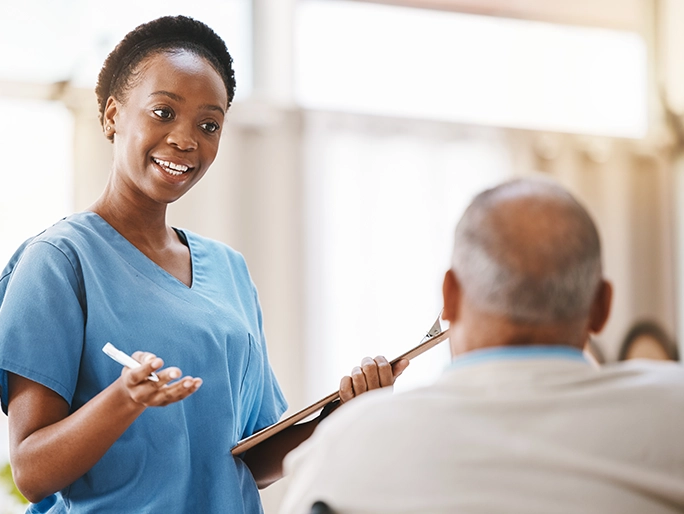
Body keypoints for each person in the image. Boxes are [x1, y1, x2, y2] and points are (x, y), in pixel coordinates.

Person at [0, 16, 406, 513]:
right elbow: (32, 472)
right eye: (163, 112)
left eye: (209, 124)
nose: (186, 140)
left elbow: (248, 461)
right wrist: (125, 400)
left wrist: (341, 412)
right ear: (113, 115)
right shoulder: (57, 262)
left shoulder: (228, 269)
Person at [280, 177, 684, 514]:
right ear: (601, 307)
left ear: (450, 296)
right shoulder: (673, 413)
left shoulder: (347, 447)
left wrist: (373, 417)